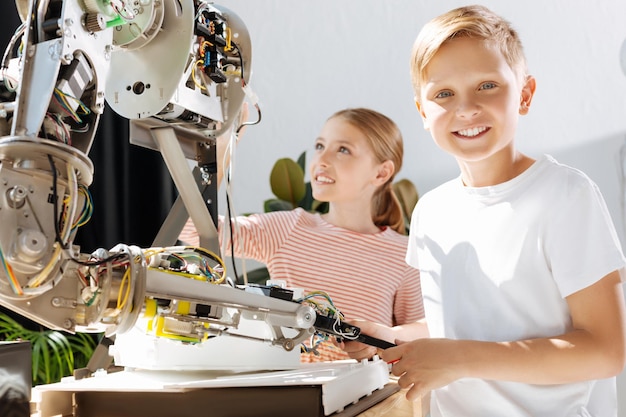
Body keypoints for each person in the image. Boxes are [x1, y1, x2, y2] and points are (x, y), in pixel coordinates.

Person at [342, 5, 626, 417]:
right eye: (443, 94)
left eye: (487, 85)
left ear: (525, 94)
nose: (466, 108)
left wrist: (456, 358)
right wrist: (394, 336)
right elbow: (459, 329)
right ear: (423, 111)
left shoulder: (565, 195)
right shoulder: (431, 211)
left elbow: (607, 350)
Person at [179, 107, 424, 362]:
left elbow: (426, 332)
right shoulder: (288, 228)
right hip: (288, 390)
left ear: (381, 173)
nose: (322, 159)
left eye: (343, 150)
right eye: (320, 146)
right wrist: (221, 148)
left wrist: (389, 334)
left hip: (365, 397)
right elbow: (190, 228)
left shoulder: (403, 254)